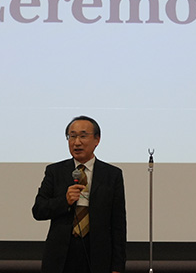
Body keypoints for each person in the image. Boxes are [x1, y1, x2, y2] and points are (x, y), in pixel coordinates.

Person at [32, 116, 127, 273]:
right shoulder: (55, 172)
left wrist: (118, 266)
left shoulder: (112, 175)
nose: (77, 142)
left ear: (97, 140)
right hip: (61, 256)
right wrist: (64, 201)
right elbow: (38, 210)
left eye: (83, 136)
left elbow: (118, 224)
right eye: (72, 136)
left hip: (97, 254)